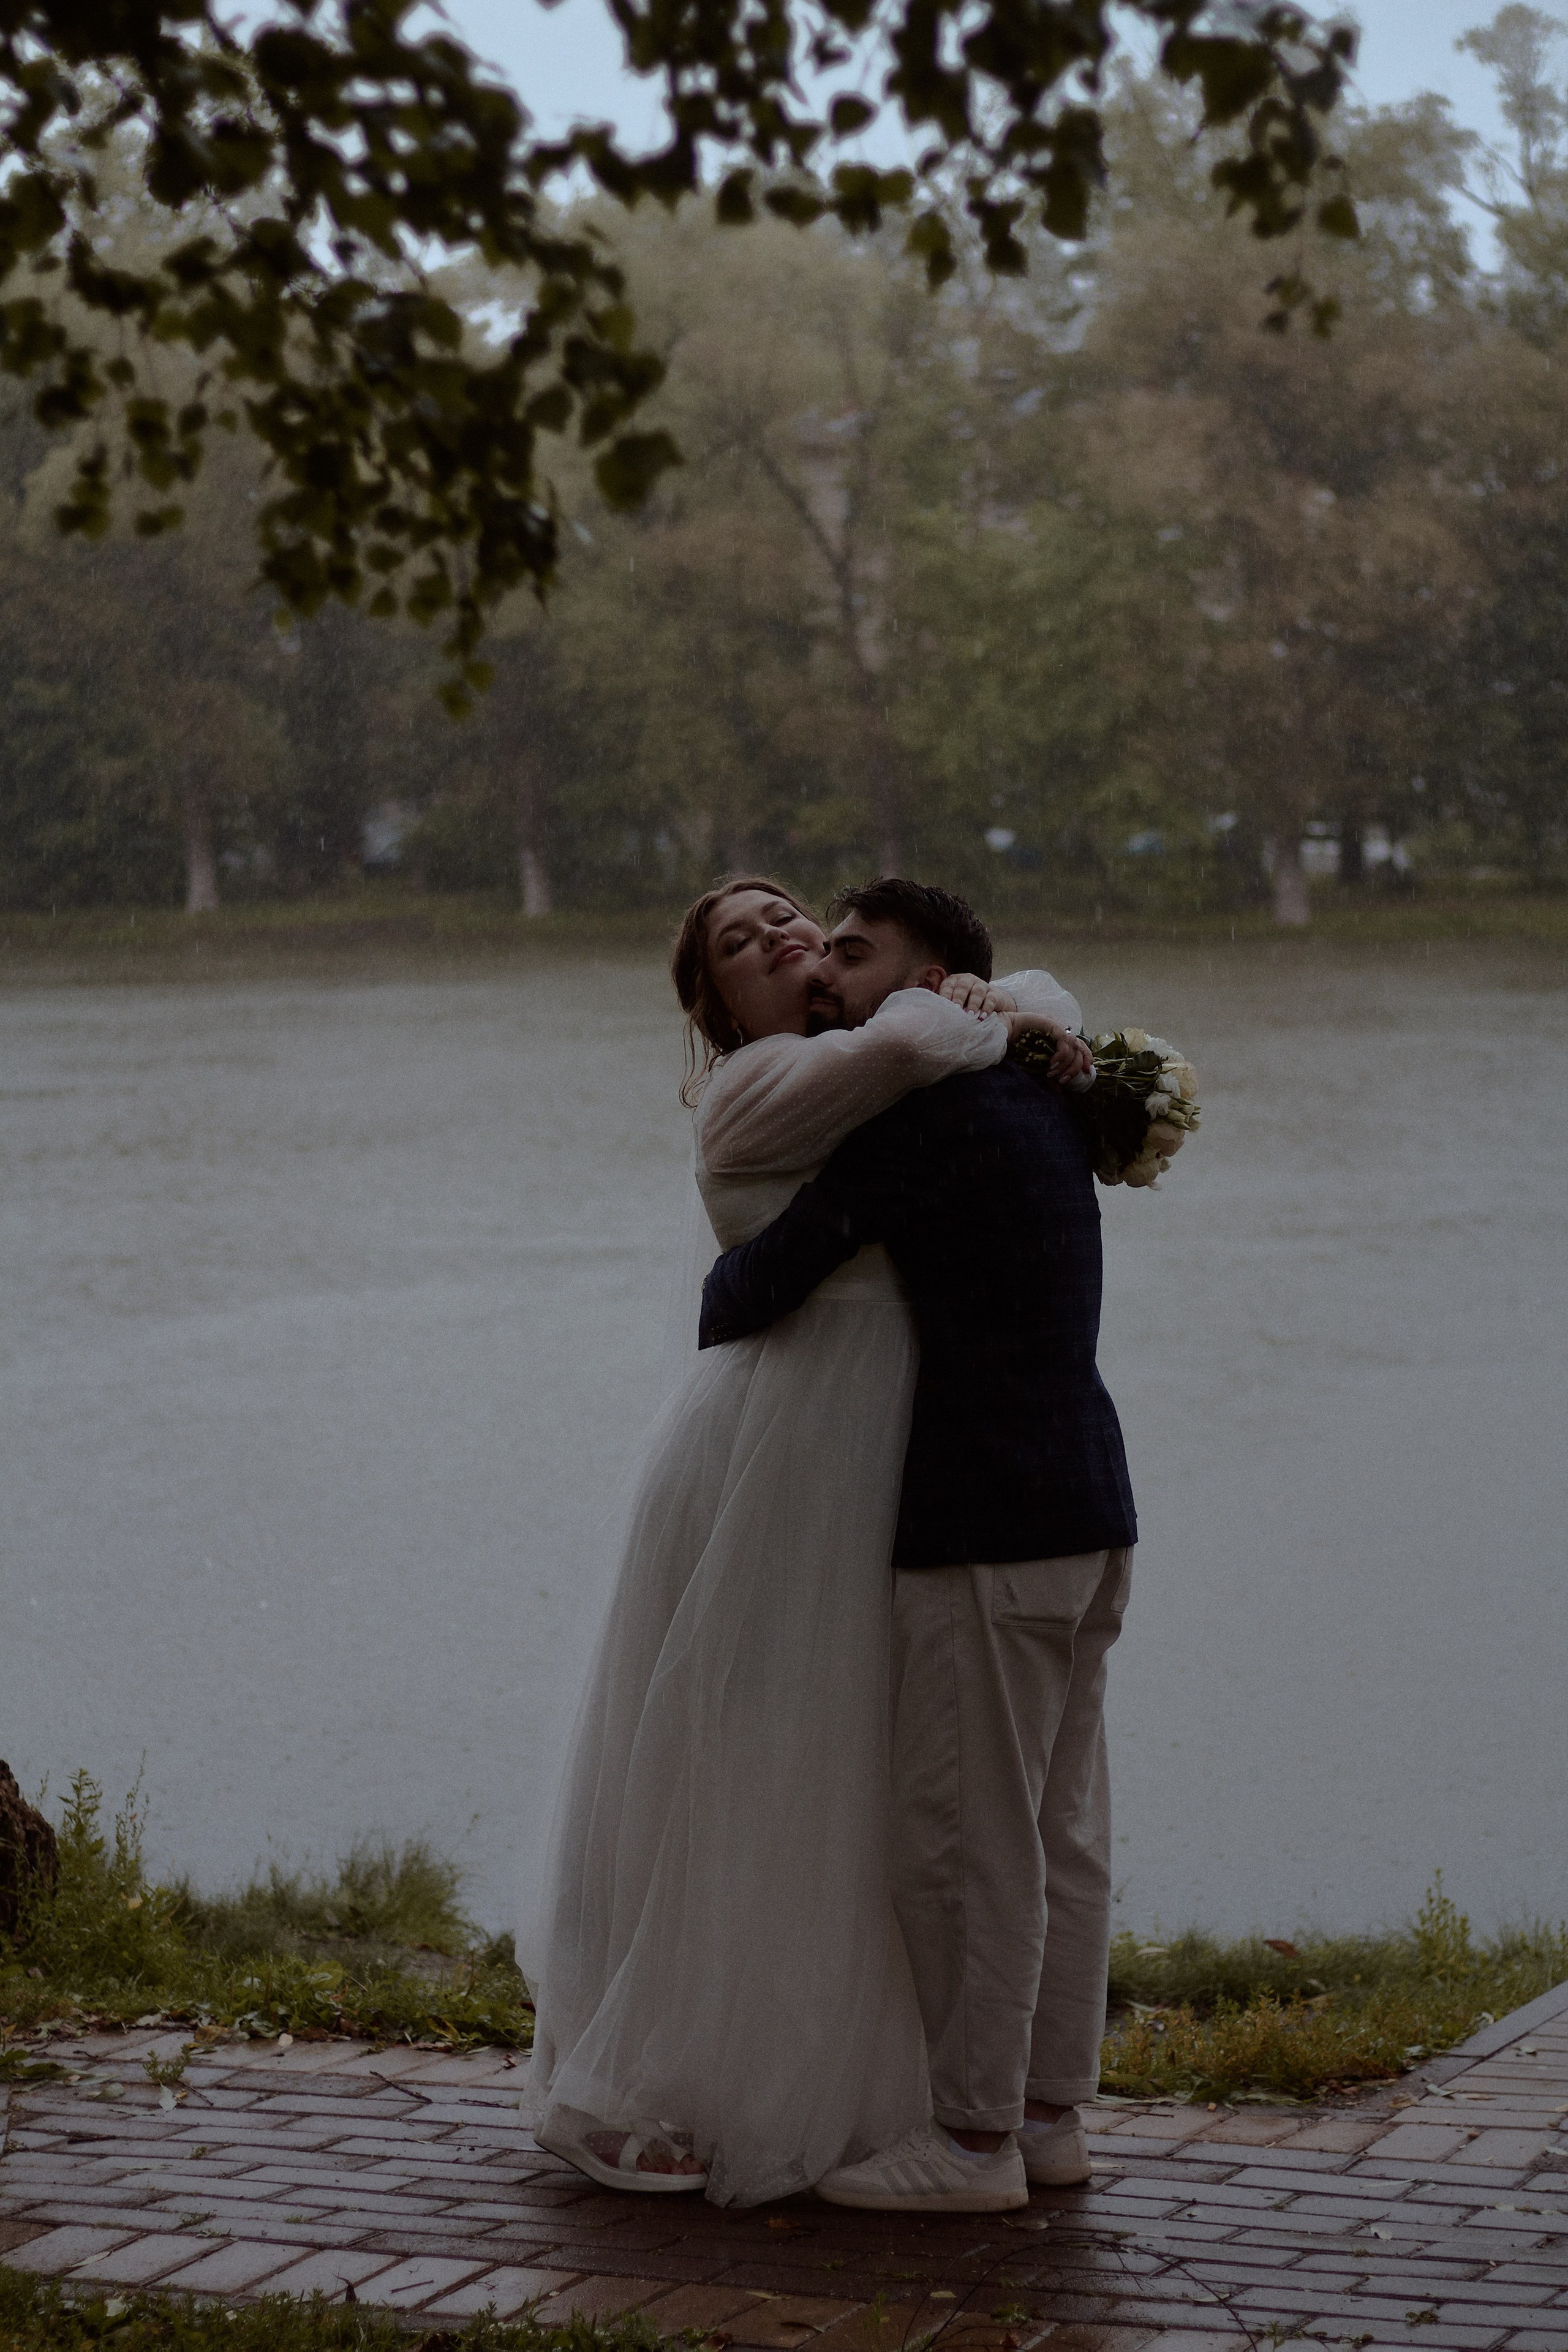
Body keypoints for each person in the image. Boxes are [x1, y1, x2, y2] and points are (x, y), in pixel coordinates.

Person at [526, 875, 1086, 2208]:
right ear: (718, 1006)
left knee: (863, 1778)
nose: (777, 935)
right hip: (774, 1453)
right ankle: (636, 2077)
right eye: (741, 940)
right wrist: (984, 1007)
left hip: (891, 1448)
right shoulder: (761, 1085)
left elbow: (1028, 1003)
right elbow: (921, 1039)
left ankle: (859, 2084)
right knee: (733, 1761)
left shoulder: (880, 1055)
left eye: (789, 916)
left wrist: (998, 998)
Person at [700, 876, 1137, 2215]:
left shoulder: (930, 1117)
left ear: (930, 981)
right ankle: (1050, 2118)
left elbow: (756, 1283)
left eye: (851, 951)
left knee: (963, 1849)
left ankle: (970, 2143)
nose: (823, 968)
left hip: (983, 1525)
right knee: (1061, 1834)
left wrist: (725, 1271)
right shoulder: (1037, 1100)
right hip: (1087, 1505)